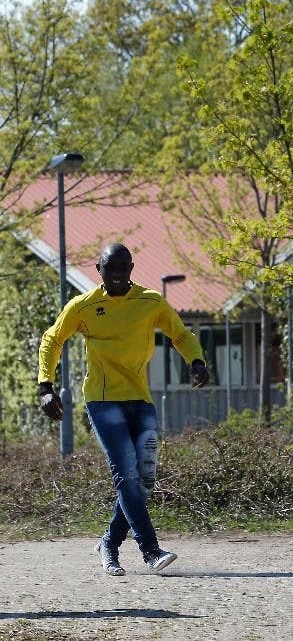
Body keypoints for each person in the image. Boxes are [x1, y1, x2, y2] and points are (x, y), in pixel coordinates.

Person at [38, 243, 210, 576]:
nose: (115, 275)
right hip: (103, 400)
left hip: (140, 397)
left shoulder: (151, 302)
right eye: (109, 268)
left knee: (143, 478)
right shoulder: (84, 306)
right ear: (98, 270)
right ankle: (150, 550)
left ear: (131, 269)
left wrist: (197, 361)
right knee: (125, 473)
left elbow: (180, 334)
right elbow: (52, 339)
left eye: (122, 268)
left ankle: (108, 543)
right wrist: (46, 386)